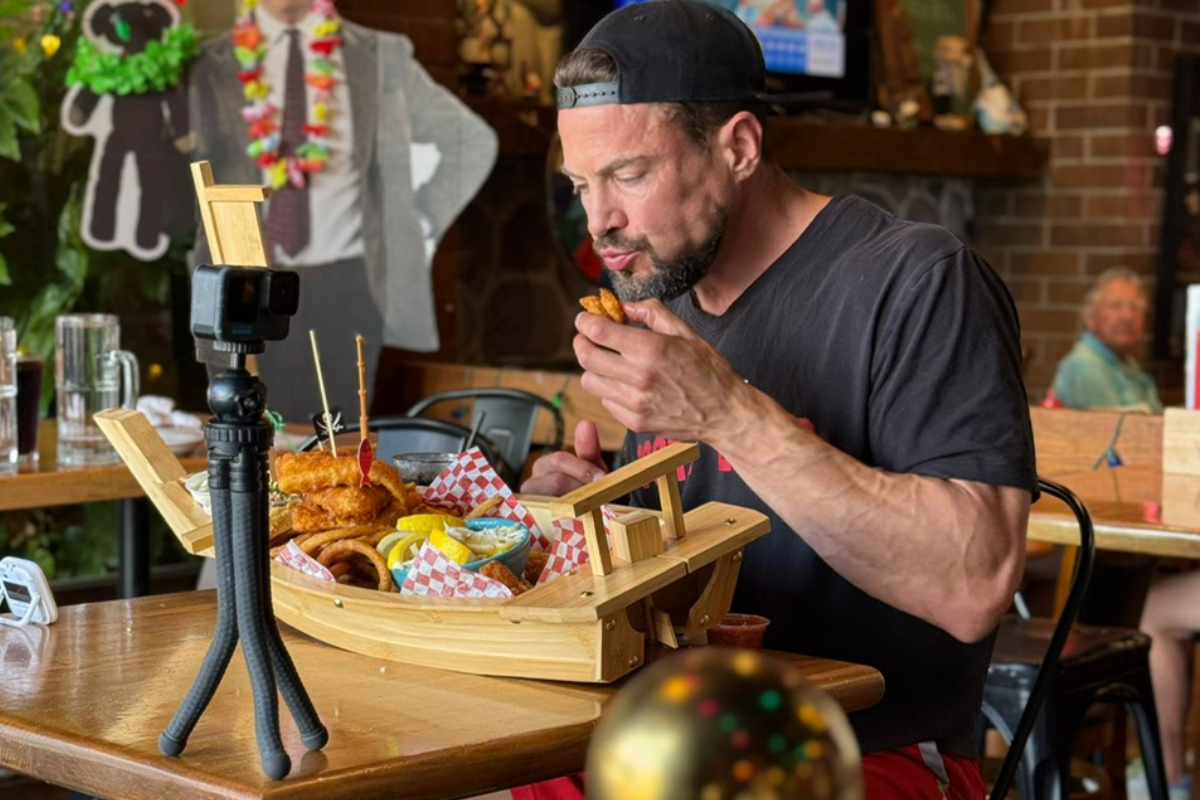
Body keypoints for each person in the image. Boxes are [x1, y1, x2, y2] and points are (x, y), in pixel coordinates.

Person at [518, 1, 1036, 797]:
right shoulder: (671, 295)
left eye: (629, 174)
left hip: (870, 750)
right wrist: (598, 515)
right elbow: (701, 574)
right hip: (670, 735)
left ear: (740, 147)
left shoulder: (918, 281)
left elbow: (973, 586)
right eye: (582, 184)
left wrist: (724, 410)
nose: (600, 222)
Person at [189, 0, 497, 420]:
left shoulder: (379, 54)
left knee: (340, 447)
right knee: (248, 436)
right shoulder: (210, 61)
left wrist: (417, 216)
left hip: (347, 286)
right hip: (244, 284)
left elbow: (470, 139)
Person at [1050, 267, 1163, 413]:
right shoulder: (1085, 366)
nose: (1128, 316)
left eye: (1136, 306)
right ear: (1090, 317)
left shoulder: (1126, 363)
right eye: (1115, 305)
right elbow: (1115, 432)